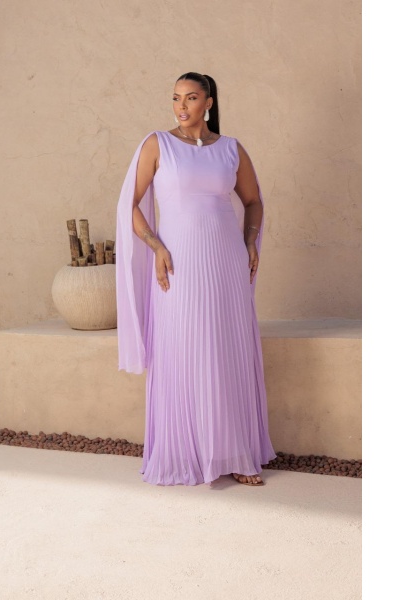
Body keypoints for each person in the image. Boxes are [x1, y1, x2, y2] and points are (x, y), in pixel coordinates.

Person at [116, 72, 276, 486]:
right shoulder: (157, 144)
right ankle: (186, 451)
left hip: (227, 263)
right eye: (175, 98)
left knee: (227, 350)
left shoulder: (231, 149)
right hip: (178, 264)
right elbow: (130, 204)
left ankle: (235, 453)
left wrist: (250, 241)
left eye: (190, 98)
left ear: (208, 103)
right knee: (183, 349)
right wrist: (155, 245)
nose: (181, 106)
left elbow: (253, 201)